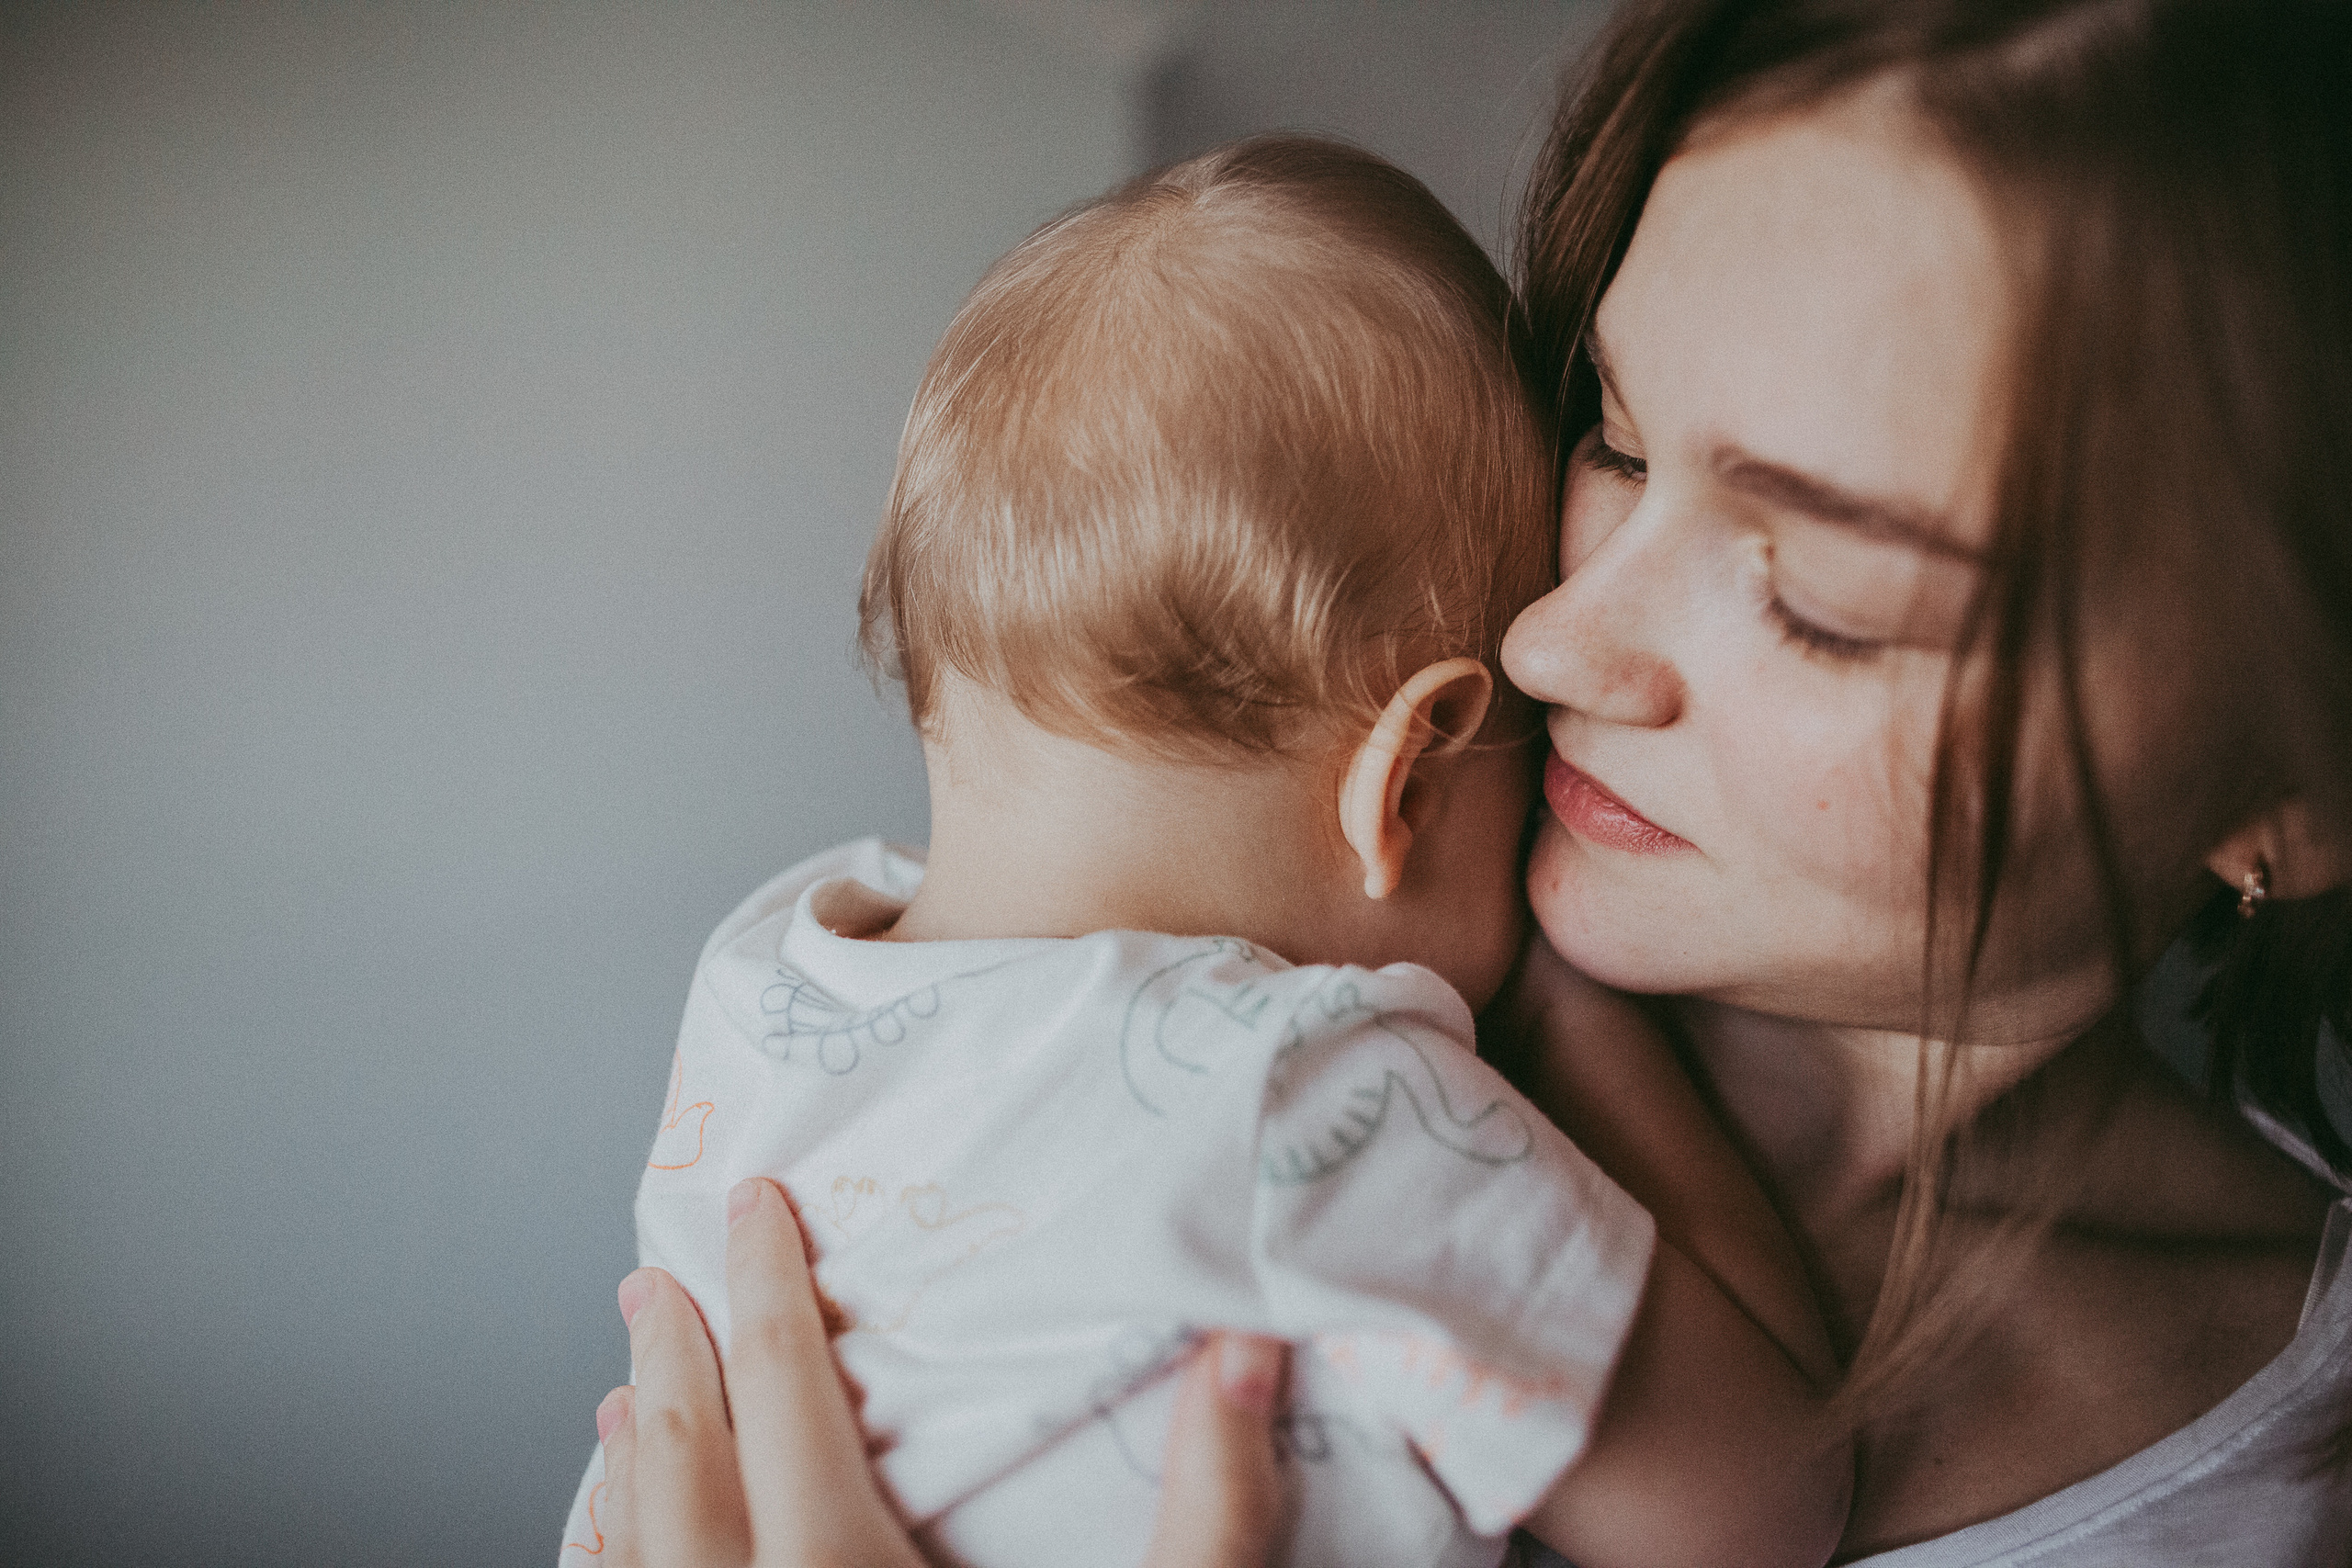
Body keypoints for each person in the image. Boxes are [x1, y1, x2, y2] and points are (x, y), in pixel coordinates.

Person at [576, 1, 2352, 1562]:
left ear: (2301, 781)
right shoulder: (1304, 1026)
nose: (1553, 642)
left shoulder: (2285, 1485)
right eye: (1615, 436)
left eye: (1824, 603)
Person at [559, 136, 1846, 1568]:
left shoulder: (762, 976)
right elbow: (1773, 1506)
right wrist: (1570, 1003)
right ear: (1404, 778)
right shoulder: (1316, 1094)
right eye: (1529, 768)